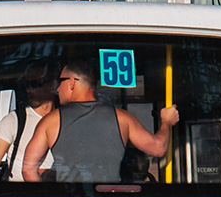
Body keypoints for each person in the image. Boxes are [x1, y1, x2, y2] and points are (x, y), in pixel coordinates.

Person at [22, 59, 179, 184]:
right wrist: (166, 122)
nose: (57, 89)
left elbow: (28, 169)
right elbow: (158, 148)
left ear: (71, 83)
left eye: (60, 82)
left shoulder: (50, 121)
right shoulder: (122, 118)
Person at [0, 61, 59, 181]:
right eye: (26, 85)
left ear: (53, 85)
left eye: (36, 84)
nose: (29, 90)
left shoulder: (65, 119)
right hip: (21, 196)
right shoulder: (14, 121)